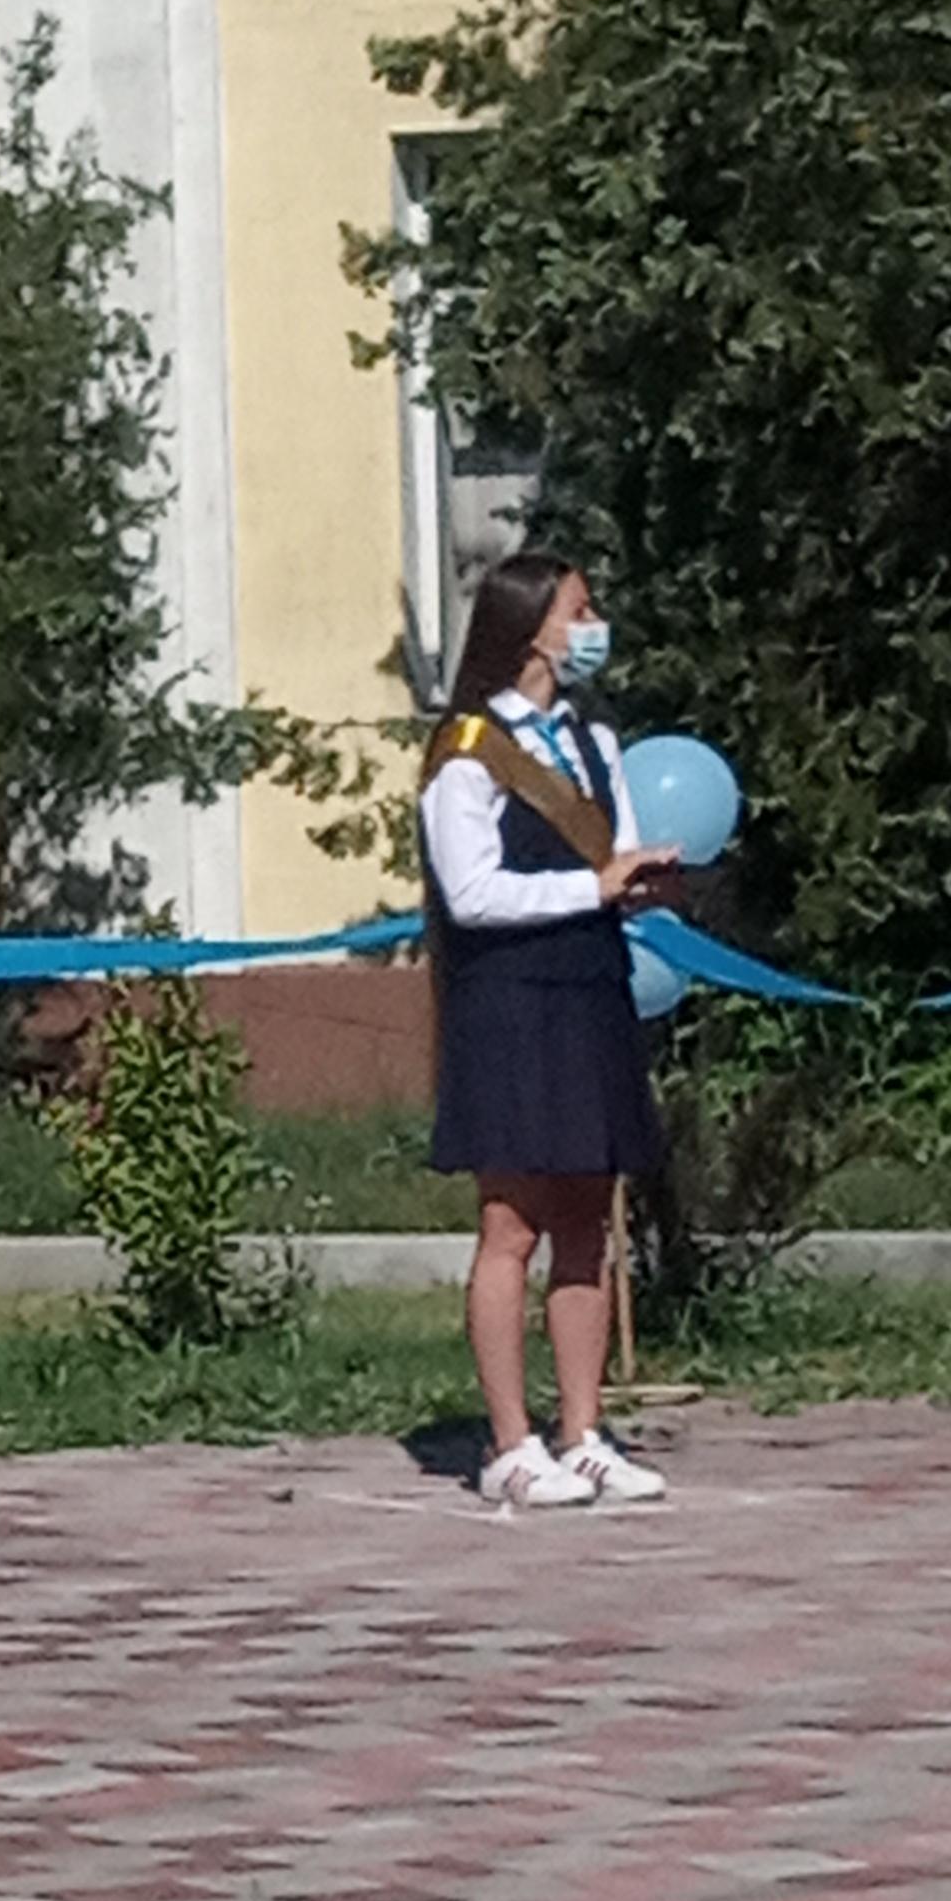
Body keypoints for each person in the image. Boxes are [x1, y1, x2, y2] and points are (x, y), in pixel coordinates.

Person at [419, 547, 681, 1511]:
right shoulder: (468, 751)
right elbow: (472, 894)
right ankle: (510, 1443)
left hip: (589, 986)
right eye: (579, 610)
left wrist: (643, 882)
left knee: (585, 1219)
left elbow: (610, 860)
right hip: (509, 998)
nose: (592, 626)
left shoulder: (593, 740)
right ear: (531, 628)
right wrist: (592, 887)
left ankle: (583, 1431)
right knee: (512, 1222)